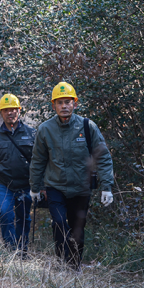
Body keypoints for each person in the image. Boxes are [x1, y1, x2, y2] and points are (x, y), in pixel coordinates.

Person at [29, 82, 114, 270]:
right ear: (53, 106)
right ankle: (61, 261)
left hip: (80, 188)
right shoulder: (45, 129)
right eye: (60, 103)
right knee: (59, 223)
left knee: (77, 231)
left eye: (68, 102)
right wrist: (35, 187)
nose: (64, 106)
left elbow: (104, 157)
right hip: (55, 187)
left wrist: (106, 187)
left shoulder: (87, 126)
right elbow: (38, 161)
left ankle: (73, 266)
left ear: (75, 103)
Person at [0, 94, 35, 256]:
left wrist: (41, 185)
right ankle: (10, 249)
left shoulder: (32, 134)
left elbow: (40, 162)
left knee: (24, 218)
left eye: (13, 109)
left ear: (19, 110)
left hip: (26, 185)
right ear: (1, 113)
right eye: (6, 110)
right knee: (6, 214)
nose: (10, 113)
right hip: (4, 185)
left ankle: (22, 249)